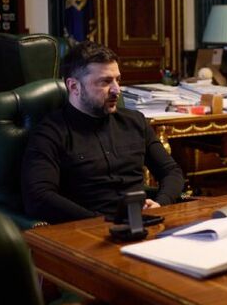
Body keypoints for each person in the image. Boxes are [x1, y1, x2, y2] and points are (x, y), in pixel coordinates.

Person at [21, 41, 184, 224]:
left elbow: (171, 171)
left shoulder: (135, 122)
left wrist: (161, 204)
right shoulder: (50, 132)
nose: (116, 90)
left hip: (143, 222)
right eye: (105, 82)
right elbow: (38, 197)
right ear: (74, 87)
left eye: (117, 80)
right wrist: (101, 221)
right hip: (87, 229)